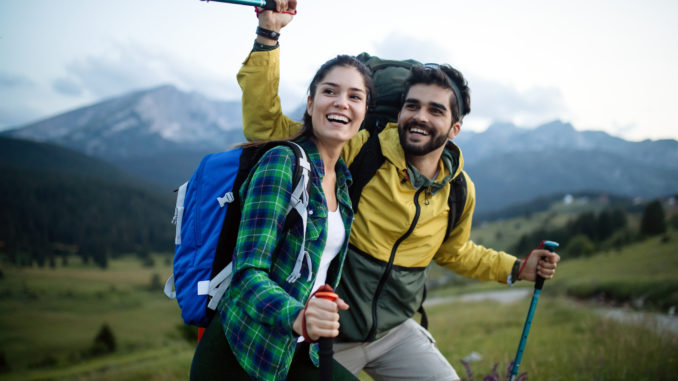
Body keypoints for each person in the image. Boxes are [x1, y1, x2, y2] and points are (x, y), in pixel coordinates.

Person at [239, 3, 561, 380]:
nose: (420, 117)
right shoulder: (362, 150)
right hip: (325, 335)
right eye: (413, 106)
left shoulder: (458, 189)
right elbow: (267, 130)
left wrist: (518, 268)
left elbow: (454, 252)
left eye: (435, 110)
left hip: (394, 333)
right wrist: (269, 35)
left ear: (454, 128)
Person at [189, 17, 376, 380]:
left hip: (299, 348)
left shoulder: (343, 184)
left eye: (355, 96)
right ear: (310, 102)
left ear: (365, 113)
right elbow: (247, 275)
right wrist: (299, 315)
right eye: (329, 91)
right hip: (243, 351)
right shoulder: (283, 162)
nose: (341, 103)